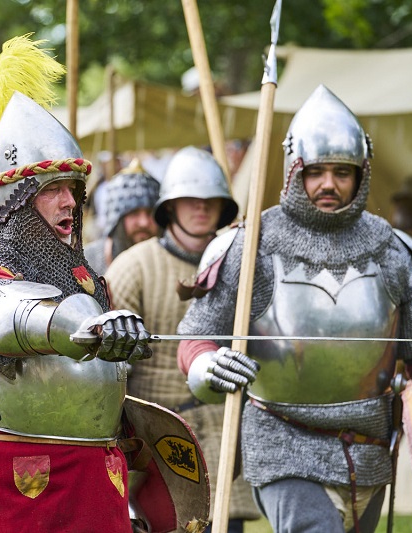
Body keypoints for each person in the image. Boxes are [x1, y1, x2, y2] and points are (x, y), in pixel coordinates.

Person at [177, 85, 412, 533]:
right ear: (294, 172)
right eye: (317, 171)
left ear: (361, 174)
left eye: (341, 172)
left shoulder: (393, 249)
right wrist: (208, 364)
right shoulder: (251, 248)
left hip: (367, 448)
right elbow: (197, 333)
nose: (329, 184)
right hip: (282, 439)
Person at [0, 36, 152, 532]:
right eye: (52, 189)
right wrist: (78, 324)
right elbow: (0, 317)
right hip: (7, 480)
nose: (69, 202)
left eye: (73, 189)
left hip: (94, 475)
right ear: (13, 198)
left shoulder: (84, 276)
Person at [104, 146, 258, 532]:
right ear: (170, 206)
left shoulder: (243, 266)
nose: (201, 208)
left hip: (224, 431)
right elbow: (108, 372)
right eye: (191, 199)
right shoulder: (133, 267)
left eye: (211, 200)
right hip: (154, 441)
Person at [83, 158, 160, 274]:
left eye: (150, 213)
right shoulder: (88, 262)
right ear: (116, 219)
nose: (144, 222)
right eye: (134, 213)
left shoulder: (168, 262)